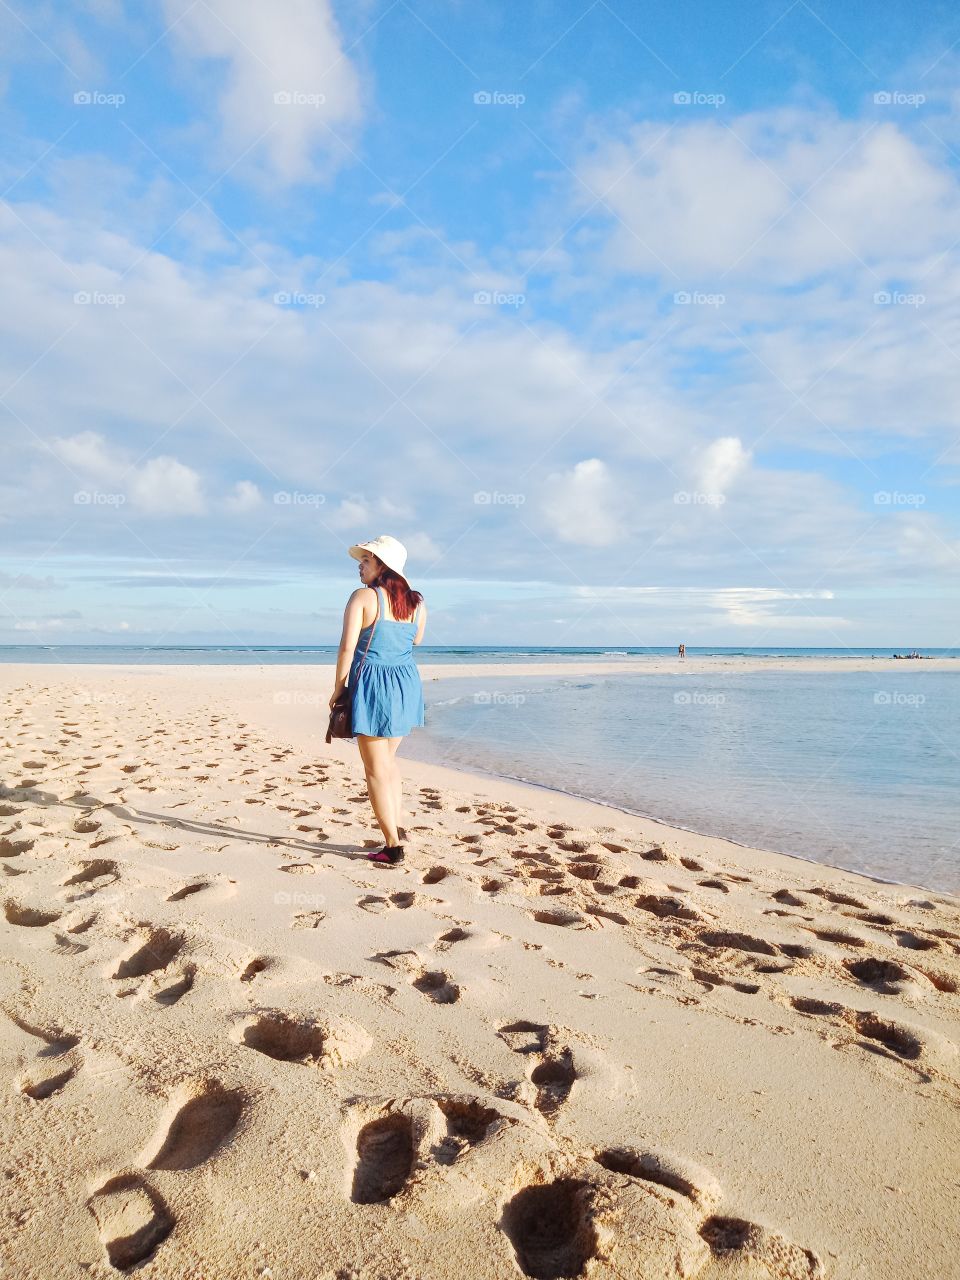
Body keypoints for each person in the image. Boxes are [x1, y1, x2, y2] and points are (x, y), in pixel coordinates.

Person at [329, 535, 427, 866]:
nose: (360, 565)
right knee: (389, 762)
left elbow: (346, 647)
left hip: (372, 683)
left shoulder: (363, 597)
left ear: (382, 566)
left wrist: (339, 688)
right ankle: (398, 826)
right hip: (405, 683)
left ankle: (393, 846)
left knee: (374, 769)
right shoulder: (417, 603)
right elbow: (417, 639)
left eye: (367, 560)